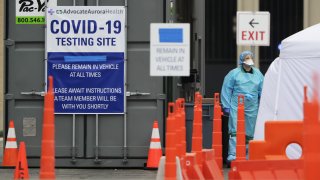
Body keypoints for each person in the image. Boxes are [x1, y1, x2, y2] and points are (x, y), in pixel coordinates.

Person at [221, 50, 264, 166]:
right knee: (234, 131)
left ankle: (247, 155)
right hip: (236, 106)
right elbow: (226, 89)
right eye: (247, 58)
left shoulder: (258, 74)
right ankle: (233, 154)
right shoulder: (234, 74)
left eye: (250, 57)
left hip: (252, 107)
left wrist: (262, 104)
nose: (249, 60)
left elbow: (263, 90)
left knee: (250, 132)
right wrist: (226, 106)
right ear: (242, 60)